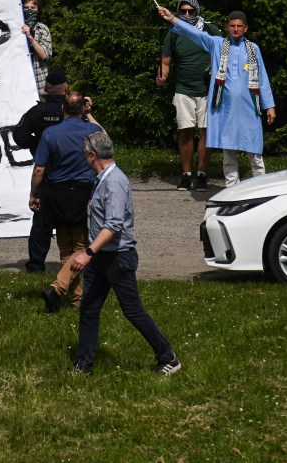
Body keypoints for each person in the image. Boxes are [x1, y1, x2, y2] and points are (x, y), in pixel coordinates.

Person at [71, 131, 180, 375]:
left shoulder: (114, 182)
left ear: (92, 155)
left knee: (132, 310)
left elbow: (113, 225)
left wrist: (87, 252)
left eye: (84, 154)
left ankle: (169, 358)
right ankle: (83, 366)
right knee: (88, 309)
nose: (83, 158)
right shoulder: (102, 177)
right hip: (102, 258)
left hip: (117, 258)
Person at [157, 6, 275, 187]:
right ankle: (232, 192)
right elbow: (193, 33)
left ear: (246, 28)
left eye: (239, 26)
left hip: (249, 109)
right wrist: (172, 18)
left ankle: (259, 190)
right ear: (227, 27)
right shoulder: (217, 44)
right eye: (232, 26)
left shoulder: (254, 49)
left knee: (255, 153)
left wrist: (270, 106)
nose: (236, 29)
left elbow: (262, 78)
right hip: (226, 110)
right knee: (229, 154)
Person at [29, 92, 103, 312]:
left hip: (56, 193)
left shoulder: (50, 133)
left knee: (65, 248)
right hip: (83, 192)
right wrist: (90, 115)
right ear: (82, 108)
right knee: (80, 246)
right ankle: (60, 289)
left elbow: (40, 169)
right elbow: (105, 139)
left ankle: (74, 298)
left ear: (62, 108)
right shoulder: (91, 130)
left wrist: (34, 194)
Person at [156, 0, 221, 192]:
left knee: (205, 132)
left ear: (197, 11)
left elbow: (222, 53)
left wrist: (214, 68)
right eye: (182, 11)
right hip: (183, 90)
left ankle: (201, 174)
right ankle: (186, 175)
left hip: (207, 90)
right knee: (185, 131)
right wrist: (162, 77)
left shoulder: (210, 29)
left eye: (190, 11)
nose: (186, 15)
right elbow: (166, 61)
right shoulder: (173, 33)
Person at [12, 68, 68, 272]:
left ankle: (36, 264)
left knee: (42, 222)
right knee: (72, 221)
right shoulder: (71, 111)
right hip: (70, 174)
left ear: (45, 88)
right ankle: (72, 263)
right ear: (66, 89)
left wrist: (37, 144)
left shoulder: (37, 112)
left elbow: (18, 136)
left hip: (46, 174)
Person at [21, 0, 51, 97]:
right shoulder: (17, 29)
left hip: (40, 87)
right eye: (26, 8)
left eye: (33, 8)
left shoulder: (43, 29)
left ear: (38, 10)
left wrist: (31, 38)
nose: (29, 11)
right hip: (21, 86)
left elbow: (44, 56)